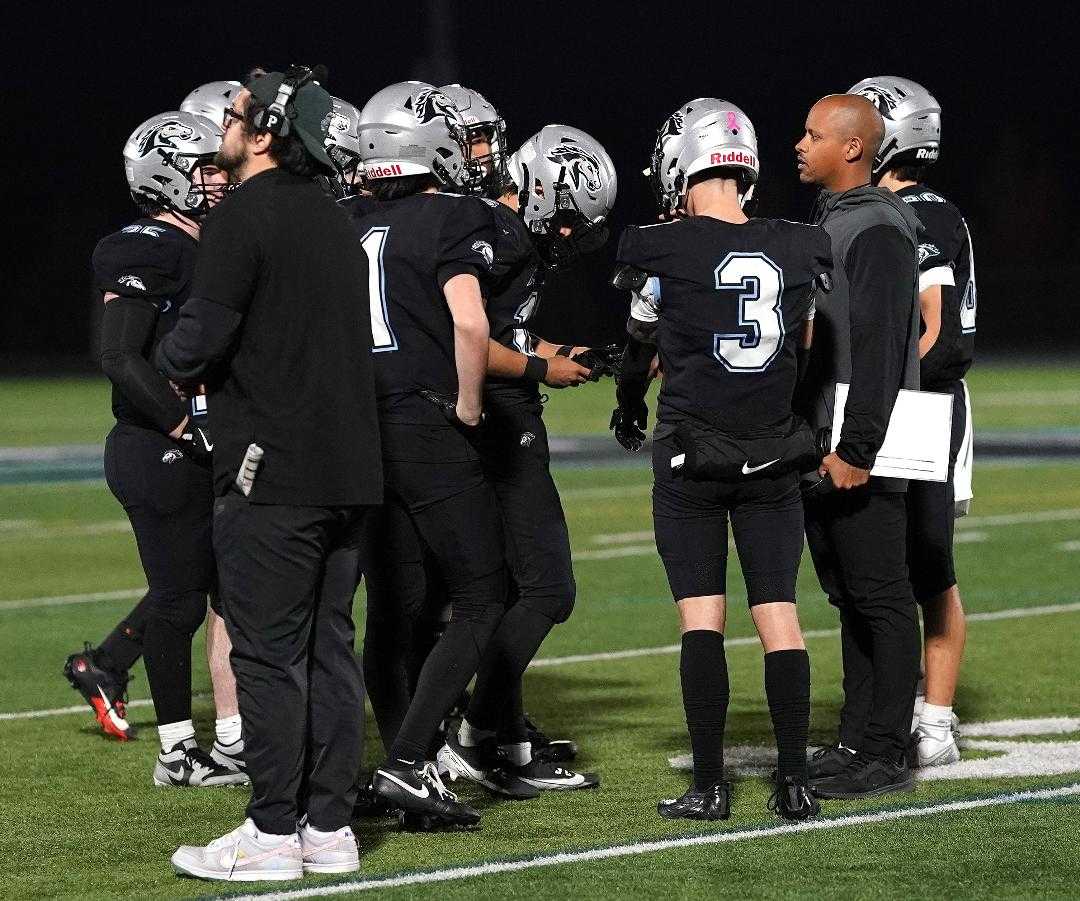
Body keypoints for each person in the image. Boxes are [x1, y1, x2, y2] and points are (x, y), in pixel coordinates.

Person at [157, 66, 382, 881]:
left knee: (266, 652)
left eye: (241, 111)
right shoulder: (332, 217)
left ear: (267, 132)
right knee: (330, 649)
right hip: (351, 466)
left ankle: (273, 832)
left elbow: (197, 340)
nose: (228, 116)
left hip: (272, 469)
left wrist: (173, 359)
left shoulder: (244, 214)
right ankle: (329, 829)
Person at [611, 98, 831, 821]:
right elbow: (805, 345)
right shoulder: (799, 245)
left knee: (702, 620)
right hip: (773, 453)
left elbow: (639, 345)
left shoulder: (659, 248)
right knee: (780, 617)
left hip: (691, 457)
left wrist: (628, 403)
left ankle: (710, 786)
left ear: (683, 161)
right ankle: (794, 783)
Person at [434, 104, 617, 794]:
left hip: (499, 420)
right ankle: (479, 730)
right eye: (567, 216)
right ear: (541, 188)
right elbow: (475, 342)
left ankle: (505, 737)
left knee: (512, 588)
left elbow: (509, 334)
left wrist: (565, 354)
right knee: (548, 588)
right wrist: (544, 368)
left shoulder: (508, 233)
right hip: (496, 425)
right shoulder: (500, 236)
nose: (569, 234)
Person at [64, 110, 246, 789]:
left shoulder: (207, 243)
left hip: (199, 441)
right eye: (205, 170)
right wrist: (180, 424)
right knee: (175, 600)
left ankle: (234, 733)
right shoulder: (147, 245)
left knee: (223, 590)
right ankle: (176, 750)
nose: (216, 181)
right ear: (165, 175)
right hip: (156, 445)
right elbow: (118, 355)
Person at [349, 81, 506, 830]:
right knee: (482, 595)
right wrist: (470, 408)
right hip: (423, 420)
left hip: (359, 429)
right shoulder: (449, 217)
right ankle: (408, 762)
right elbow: (470, 326)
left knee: (393, 607)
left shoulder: (348, 224)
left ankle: (395, 757)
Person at [794, 94, 924, 799]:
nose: (799, 143)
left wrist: (858, 448)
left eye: (813, 134)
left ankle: (886, 747)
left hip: (861, 445)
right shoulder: (839, 220)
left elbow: (876, 349)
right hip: (833, 439)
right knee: (851, 596)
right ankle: (856, 735)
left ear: (851, 148)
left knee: (881, 595)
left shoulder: (873, 227)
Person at [850, 76, 976, 767]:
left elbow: (945, 336)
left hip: (921, 403)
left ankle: (931, 721)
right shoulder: (892, 208)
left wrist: (877, 396)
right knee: (899, 565)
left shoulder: (916, 213)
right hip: (912, 399)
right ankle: (900, 713)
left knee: (922, 566)